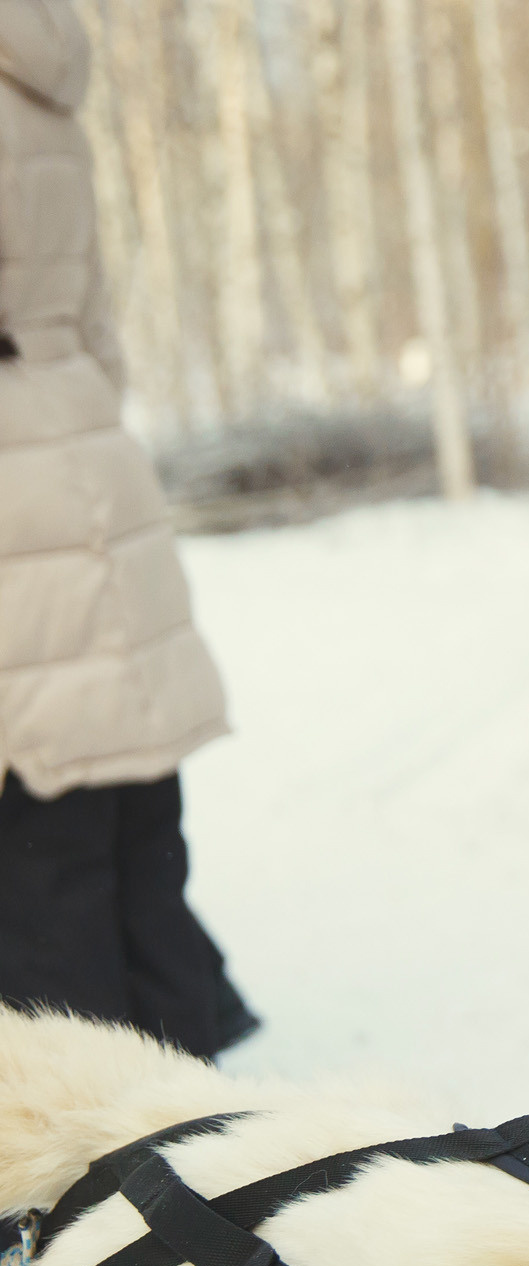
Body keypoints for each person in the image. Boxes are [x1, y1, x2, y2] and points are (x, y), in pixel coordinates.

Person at [0, 0, 252, 1061]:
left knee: (43, 907)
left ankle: (78, 1191)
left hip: (21, 538)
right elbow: (96, 329)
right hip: (90, 482)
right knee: (135, 855)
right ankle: (201, 1150)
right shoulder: (34, 68)